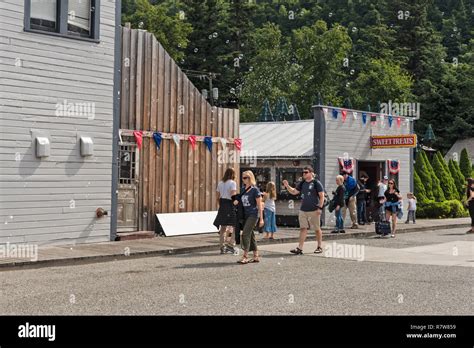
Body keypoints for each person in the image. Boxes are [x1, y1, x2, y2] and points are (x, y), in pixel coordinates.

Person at [283, 166, 325, 255]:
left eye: (306, 172)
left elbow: (322, 196)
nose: (304, 174)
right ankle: (299, 248)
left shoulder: (316, 183)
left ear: (311, 173)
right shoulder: (302, 183)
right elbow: (294, 192)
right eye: (303, 172)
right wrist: (287, 186)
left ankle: (319, 246)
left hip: (314, 209)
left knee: (317, 229)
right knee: (303, 229)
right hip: (303, 210)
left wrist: (320, 208)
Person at [236, 171, 263, 264]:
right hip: (245, 215)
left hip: (253, 215)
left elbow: (259, 205)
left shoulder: (255, 190)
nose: (243, 179)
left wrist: (261, 218)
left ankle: (245, 256)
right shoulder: (243, 189)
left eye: (245, 177)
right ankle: (256, 256)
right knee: (251, 236)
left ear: (250, 178)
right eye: (242, 177)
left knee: (245, 234)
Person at [214, 168, 237, 254]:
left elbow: (217, 196)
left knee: (223, 227)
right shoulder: (232, 183)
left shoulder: (220, 183)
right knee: (235, 225)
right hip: (230, 204)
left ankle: (222, 246)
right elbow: (233, 196)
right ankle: (231, 244)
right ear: (233, 174)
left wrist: (220, 205)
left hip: (222, 204)